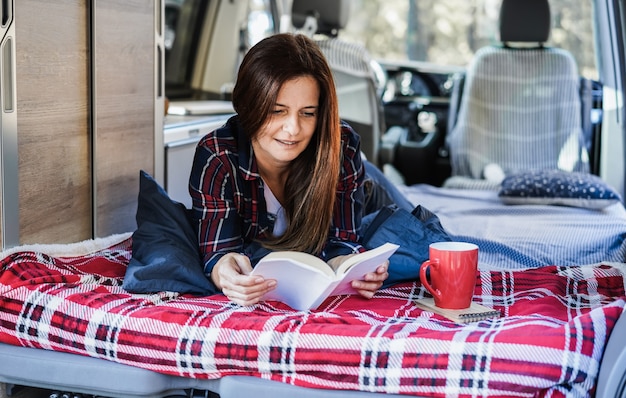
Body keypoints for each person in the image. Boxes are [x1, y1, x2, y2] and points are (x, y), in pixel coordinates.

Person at [188, 33, 397, 306]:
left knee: (427, 242)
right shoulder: (217, 156)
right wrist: (227, 275)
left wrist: (351, 266)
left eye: (308, 113)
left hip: (369, 193)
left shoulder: (340, 144)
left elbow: (343, 240)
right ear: (249, 105)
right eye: (277, 111)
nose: (293, 129)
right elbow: (219, 254)